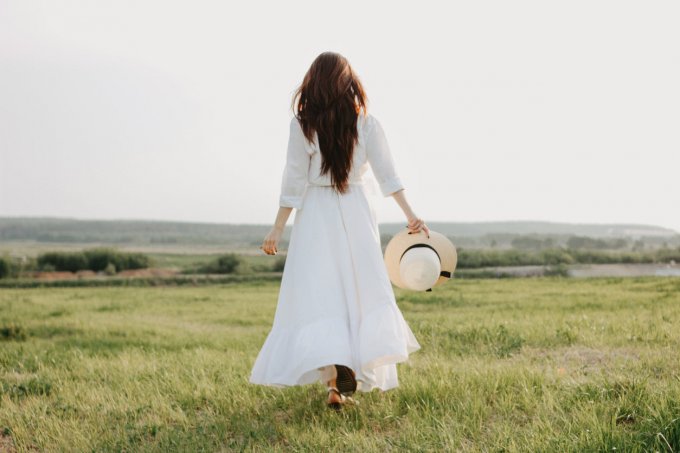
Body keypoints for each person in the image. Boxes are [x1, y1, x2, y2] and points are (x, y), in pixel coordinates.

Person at [250, 51, 429, 410]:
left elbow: (295, 178)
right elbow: (388, 175)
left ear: (312, 82)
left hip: (317, 213)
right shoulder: (366, 123)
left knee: (321, 294)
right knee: (359, 291)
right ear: (348, 82)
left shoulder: (302, 124)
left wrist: (277, 228)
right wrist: (411, 215)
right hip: (356, 210)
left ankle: (335, 379)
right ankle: (342, 384)